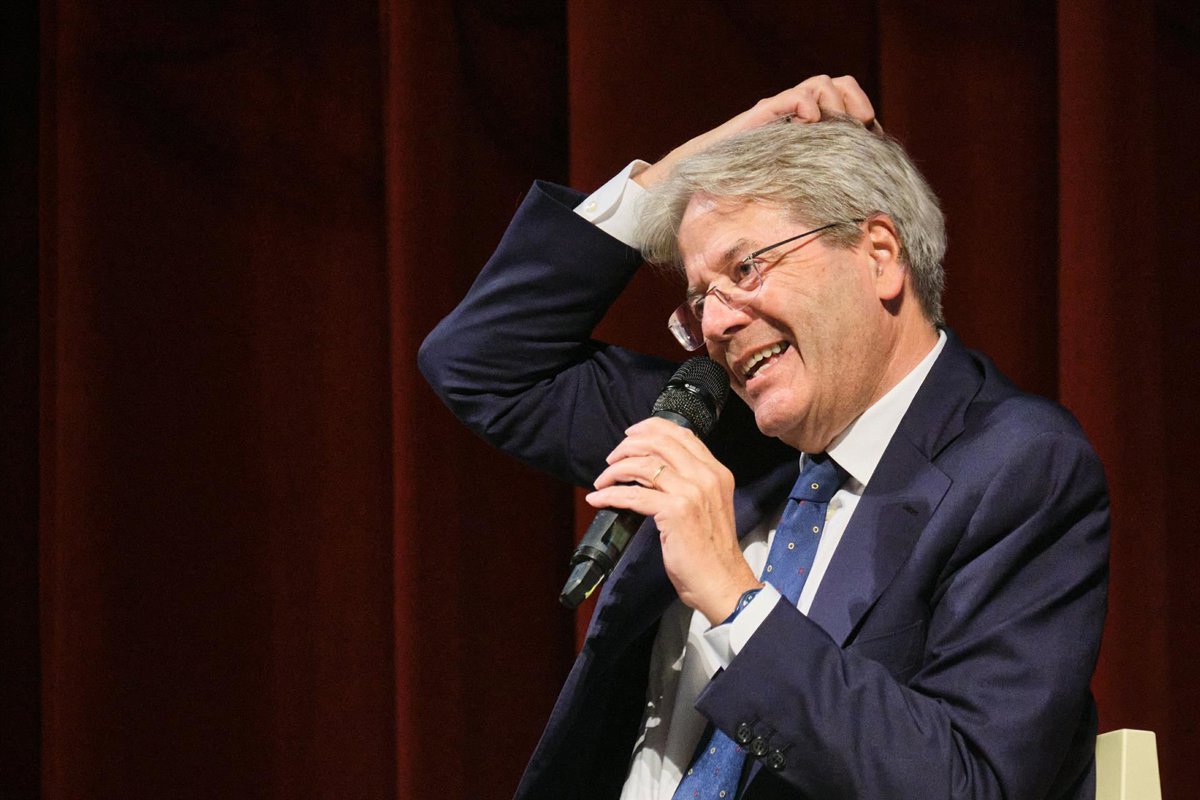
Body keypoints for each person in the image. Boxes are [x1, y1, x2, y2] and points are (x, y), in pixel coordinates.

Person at [419, 76, 1109, 800]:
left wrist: (734, 596)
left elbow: (974, 784)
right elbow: (480, 363)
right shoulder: (722, 430)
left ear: (878, 254)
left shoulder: (1019, 467)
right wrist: (690, 169)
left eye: (745, 268)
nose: (716, 324)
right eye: (698, 300)